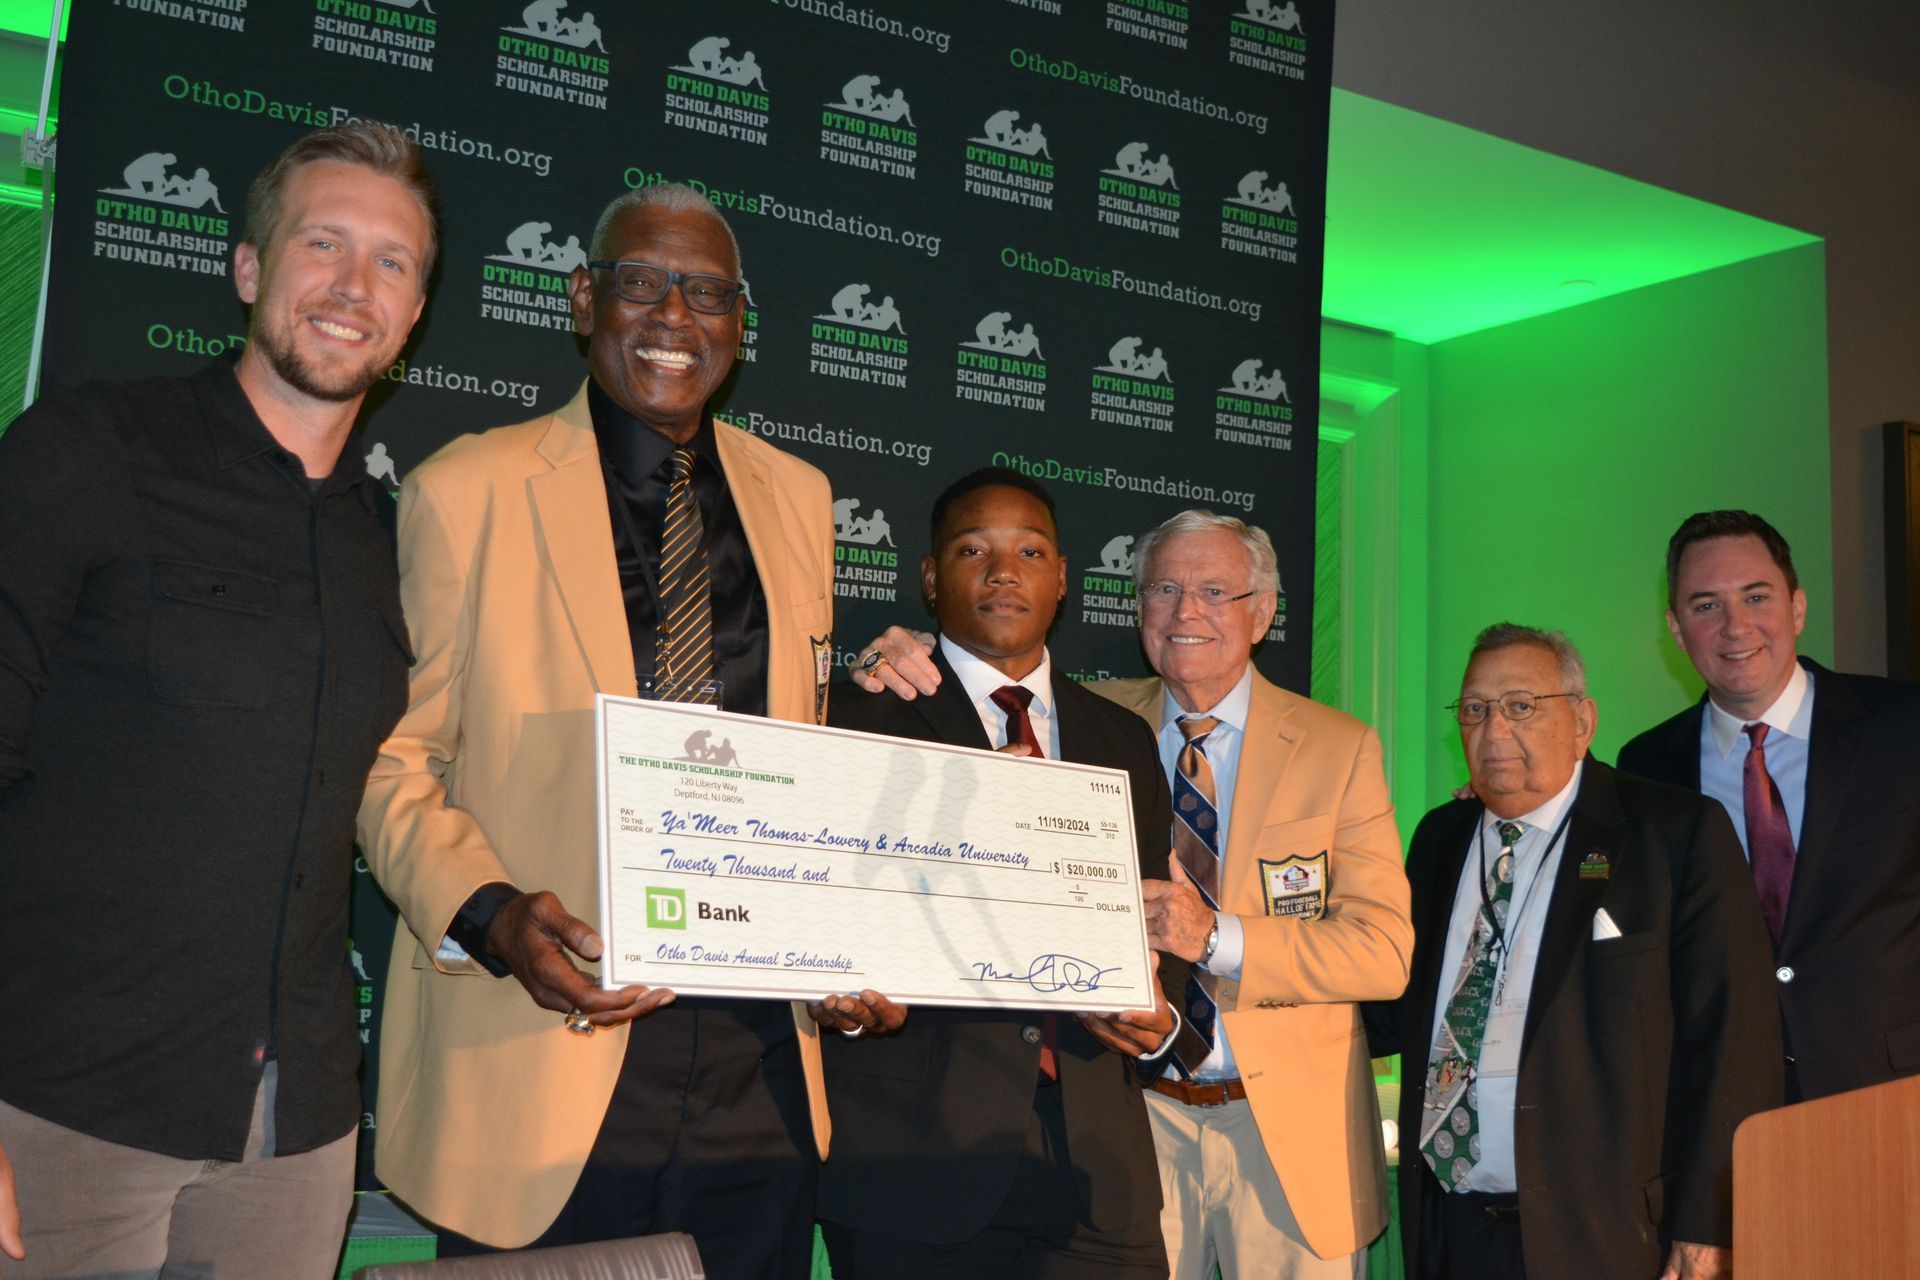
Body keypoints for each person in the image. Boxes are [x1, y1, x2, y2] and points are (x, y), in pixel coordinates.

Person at [355, 183, 855, 1280]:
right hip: (546, 1048)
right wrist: (489, 916)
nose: (675, 315)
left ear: (741, 323)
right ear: (584, 299)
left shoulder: (802, 497)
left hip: (759, 1068)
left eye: (709, 293)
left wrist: (849, 934)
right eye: (642, 282)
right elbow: (395, 757)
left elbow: (805, 756)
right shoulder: (467, 489)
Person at [0, 120, 438, 1279]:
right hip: (60, 1108)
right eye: (323, 244)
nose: (354, 286)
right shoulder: (87, 451)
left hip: (295, 1137)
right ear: (249, 268)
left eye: (392, 263)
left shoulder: (385, 544)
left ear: (414, 316)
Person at [851, 508, 1414, 1279]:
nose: (1186, 613)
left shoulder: (1340, 747)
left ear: (1263, 611)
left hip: (1285, 1139)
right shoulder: (1087, 721)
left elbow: (1383, 954)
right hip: (1130, 1129)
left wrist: (1215, 937)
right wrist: (888, 658)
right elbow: (966, 688)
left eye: (1215, 590)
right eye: (1164, 590)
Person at [817, 467, 1180, 1278]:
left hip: (1098, 1170)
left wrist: (1164, 1017)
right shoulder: (856, 714)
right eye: (973, 548)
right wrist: (840, 1001)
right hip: (913, 1168)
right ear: (928, 578)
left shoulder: (1122, 740)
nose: (1003, 570)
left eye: (1029, 550)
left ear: (1062, 581)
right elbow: (825, 918)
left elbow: (1158, 920)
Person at [1365, 624, 1780, 1280]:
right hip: (1448, 1225)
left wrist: (1710, 1223)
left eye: (1521, 705)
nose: (1494, 729)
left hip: (1603, 1233)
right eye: (1475, 709)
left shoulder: (1672, 834)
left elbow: (1734, 1045)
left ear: (1582, 720)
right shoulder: (1440, 839)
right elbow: (1391, 1007)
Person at [1618, 510, 1920, 1102]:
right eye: (1706, 605)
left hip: (1892, 1095)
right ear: (1676, 630)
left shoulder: (1904, 727)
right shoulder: (1648, 766)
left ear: (1797, 608)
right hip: (1723, 1105)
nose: (1736, 626)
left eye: (1756, 596)